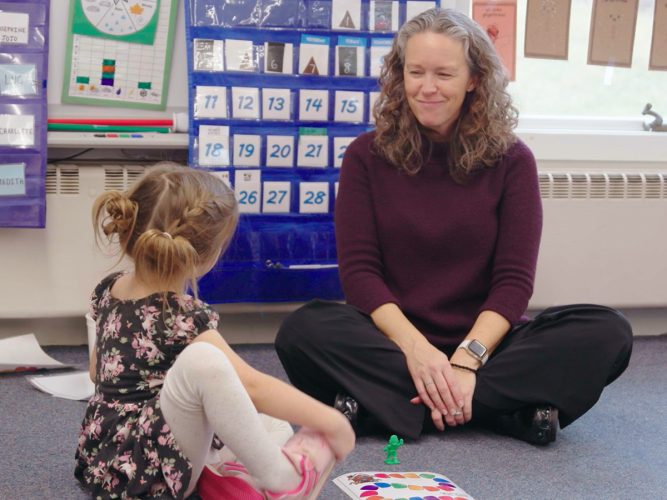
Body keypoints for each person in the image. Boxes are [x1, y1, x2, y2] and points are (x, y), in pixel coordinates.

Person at [275, 8, 633, 446]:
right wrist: (417, 350)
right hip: (393, 341)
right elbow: (360, 276)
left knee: (608, 332)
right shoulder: (364, 157)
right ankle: (501, 410)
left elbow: (514, 282)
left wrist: (467, 360)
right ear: (398, 76)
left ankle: (386, 407)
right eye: (415, 72)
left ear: (474, 79)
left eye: (444, 74)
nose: (427, 87)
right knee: (302, 331)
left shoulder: (513, 161)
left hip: (488, 346)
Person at [75, 163, 355, 499]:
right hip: (146, 474)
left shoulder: (108, 289)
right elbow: (252, 386)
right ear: (206, 254)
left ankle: (230, 475)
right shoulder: (182, 315)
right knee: (205, 363)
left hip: (103, 459)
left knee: (272, 424)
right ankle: (284, 482)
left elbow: (96, 371)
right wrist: (333, 421)